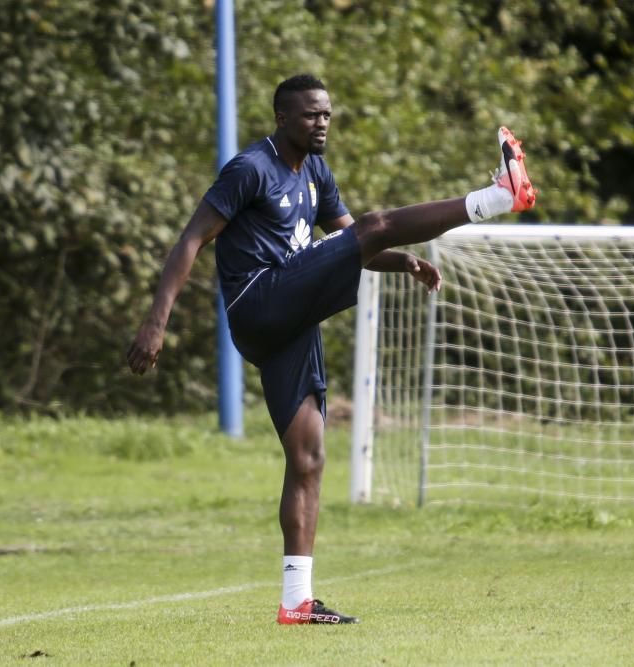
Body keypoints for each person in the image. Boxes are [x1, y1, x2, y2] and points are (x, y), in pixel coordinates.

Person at [126, 74, 536, 625]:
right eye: (310, 115)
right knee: (378, 222)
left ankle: (296, 601)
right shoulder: (251, 169)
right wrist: (156, 323)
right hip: (260, 300)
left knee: (309, 456)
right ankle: (496, 196)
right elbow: (192, 239)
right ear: (282, 119)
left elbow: (352, 243)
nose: (321, 122)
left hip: (288, 321)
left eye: (326, 114)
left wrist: (404, 261)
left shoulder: (316, 172)